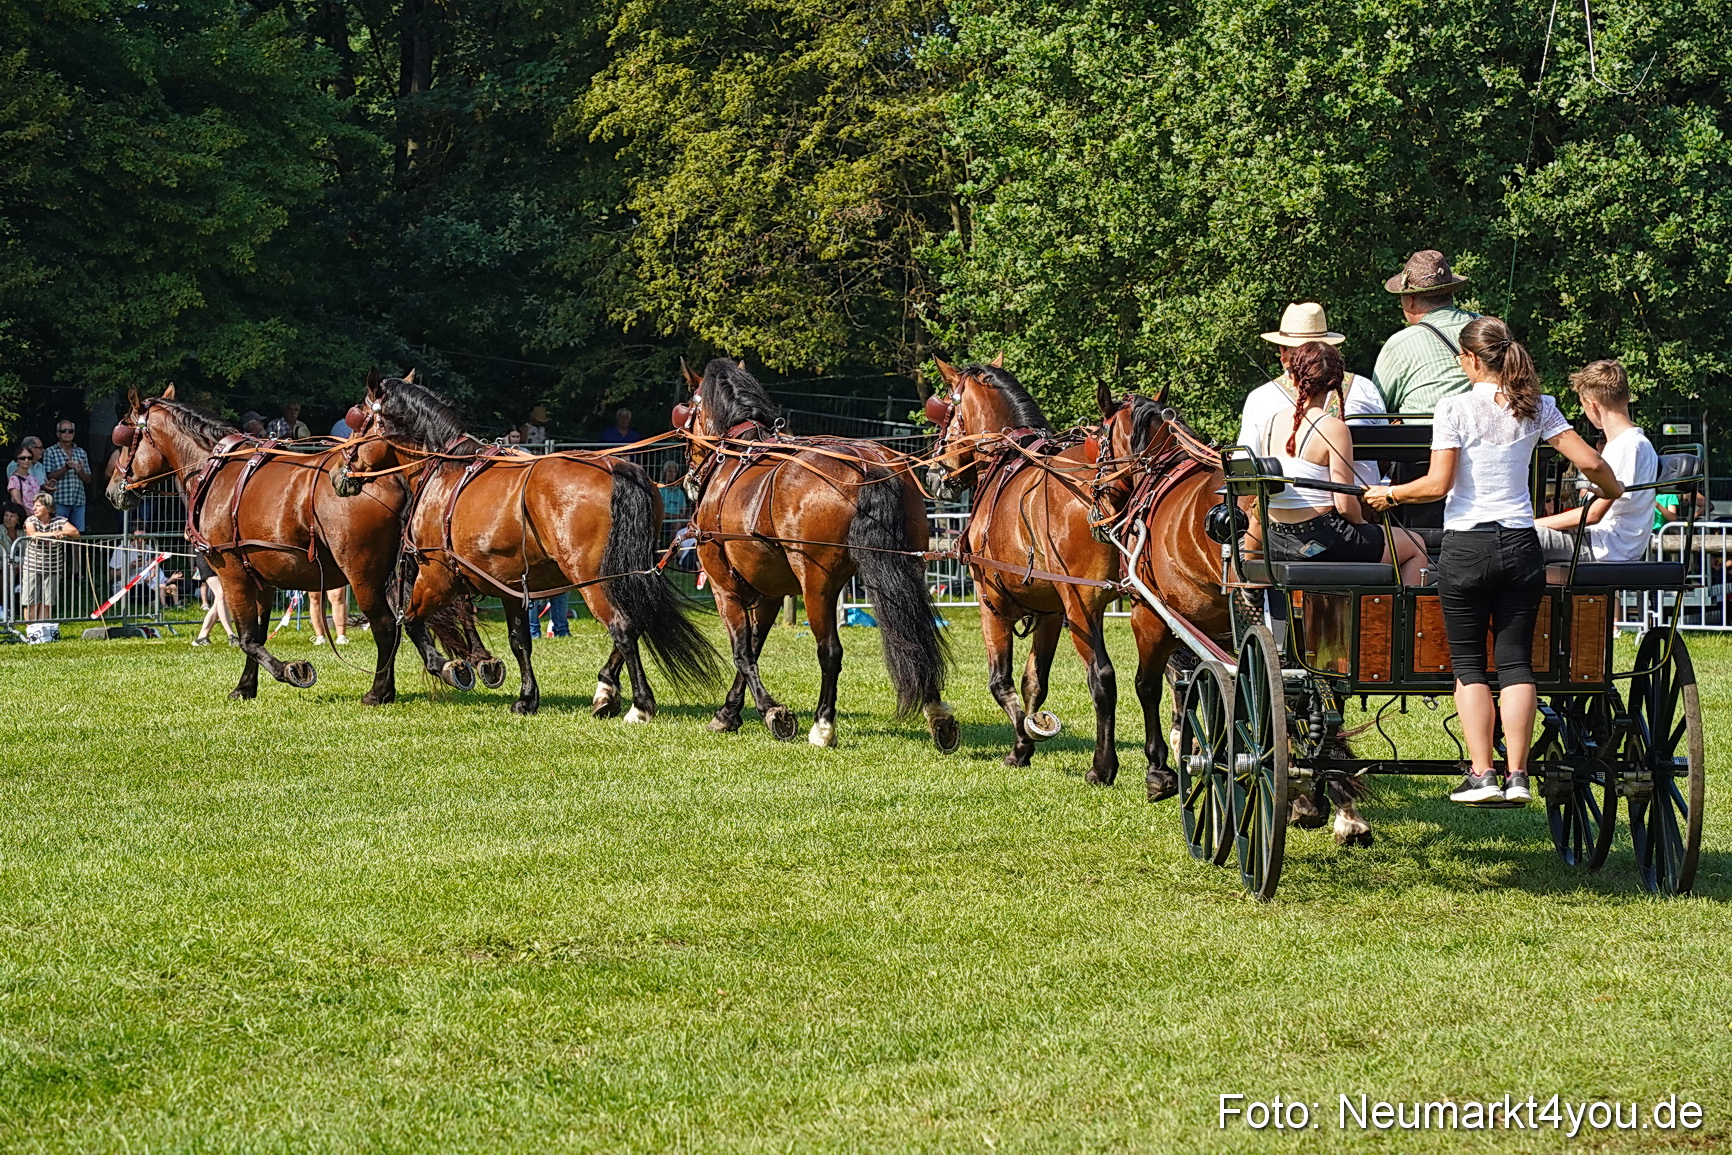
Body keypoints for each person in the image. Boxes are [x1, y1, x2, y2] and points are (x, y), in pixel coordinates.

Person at [1366, 317, 1623, 807]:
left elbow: (1438, 485)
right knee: (1516, 664)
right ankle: (1519, 775)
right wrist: (1613, 491)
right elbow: (1590, 463)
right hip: (1521, 545)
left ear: (1469, 360)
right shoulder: (1539, 407)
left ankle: (1483, 774)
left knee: (1468, 665)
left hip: (1467, 547)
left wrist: (1389, 494)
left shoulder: (1455, 407)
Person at [1248, 342, 1426, 584]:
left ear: (1294, 379)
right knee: (1415, 546)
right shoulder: (1333, 428)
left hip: (1277, 539)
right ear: (1335, 383)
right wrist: (1364, 525)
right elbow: (1344, 505)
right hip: (1324, 538)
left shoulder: (1270, 423)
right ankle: (1401, 618)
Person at [1238, 302, 1383, 485]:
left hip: (1292, 509)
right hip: (1365, 505)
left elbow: (1244, 468)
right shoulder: (1365, 388)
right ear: (1330, 350)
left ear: (1283, 352)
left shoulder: (1261, 398)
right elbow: (1385, 458)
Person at [1533, 361, 1657, 562]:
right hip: (1602, 541)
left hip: (1604, 546)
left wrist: (1533, 523)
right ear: (1627, 397)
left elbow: (1593, 515)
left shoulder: (1628, 446)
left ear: (1592, 405)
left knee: (1513, 539)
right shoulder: (1631, 443)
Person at [1369, 250, 1479, 416]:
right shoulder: (1488, 328)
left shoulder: (1400, 344)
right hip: (1493, 438)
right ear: (1450, 293)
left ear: (1410, 300)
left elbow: (1376, 409)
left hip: (1423, 440)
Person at [22, 491, 78, 621]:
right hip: (32, 567)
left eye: (38, 505)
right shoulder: (30, 520)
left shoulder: (59, 520)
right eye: (33, 505)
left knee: (47, 603)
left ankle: (43, 629)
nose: (34, 508)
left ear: (48, 508)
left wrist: (61, 532)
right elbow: (32, 534)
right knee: (31, 601)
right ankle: (31, 632)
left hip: (53, 569)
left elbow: (75, 532)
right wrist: (53, 534)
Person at [41, 418, 93, 532]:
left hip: (78, 500)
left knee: (78, 533)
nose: (67, 433)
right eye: (64, 431)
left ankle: (77, 551)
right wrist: (66, 468)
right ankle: (59, 551)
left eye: (70, 431)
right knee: (57, 533)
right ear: (58, 433)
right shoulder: (50, 451)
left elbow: (88, 479)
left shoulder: (81, 452)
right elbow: (48, 477)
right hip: (59, 500)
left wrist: (80, 471)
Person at [191, 550, 236, 646]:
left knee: (219, 601)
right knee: (221, 594)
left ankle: (202, 637)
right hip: (205, 558)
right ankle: (231, 635)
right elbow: (187, 536)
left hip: (219, 558)